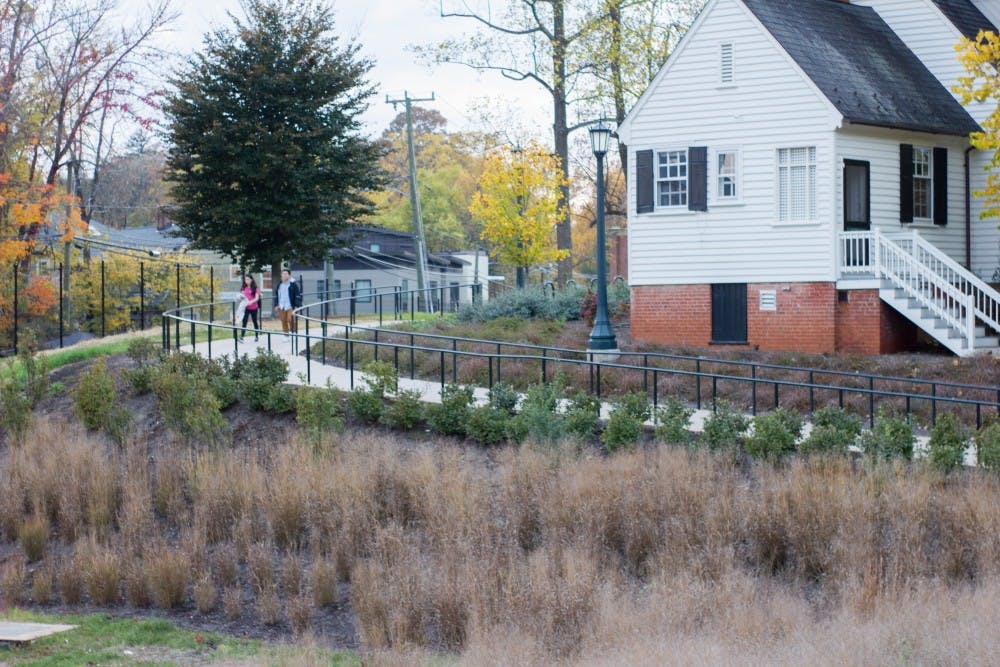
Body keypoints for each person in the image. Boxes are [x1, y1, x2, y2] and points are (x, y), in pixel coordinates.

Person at [273, 269, 301, 337]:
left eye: (286, 274)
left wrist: (297, 305)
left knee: (290, 319)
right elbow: (277, 295)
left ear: (289, 275)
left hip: (290, 305)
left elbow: (297, 295)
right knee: (283, 320)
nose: (284, 275)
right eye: (283, 274)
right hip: (281, 305)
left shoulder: (293, 284)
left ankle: (293, 332)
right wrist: (276, 304)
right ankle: (286, 335)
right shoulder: (280, 284)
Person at [239, 275, 261, 343]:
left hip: (254, 307)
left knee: (254, 321)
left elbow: (257, 298)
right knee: (244, 321)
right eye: (245, 279)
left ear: (251, 280)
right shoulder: (244, 288)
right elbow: (242, 296)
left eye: (248, 279)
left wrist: (251, 302)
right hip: (246, 307)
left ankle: (256, 336)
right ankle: (242, 337)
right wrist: (241, 297)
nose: (246, 281)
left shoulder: (255, 288)